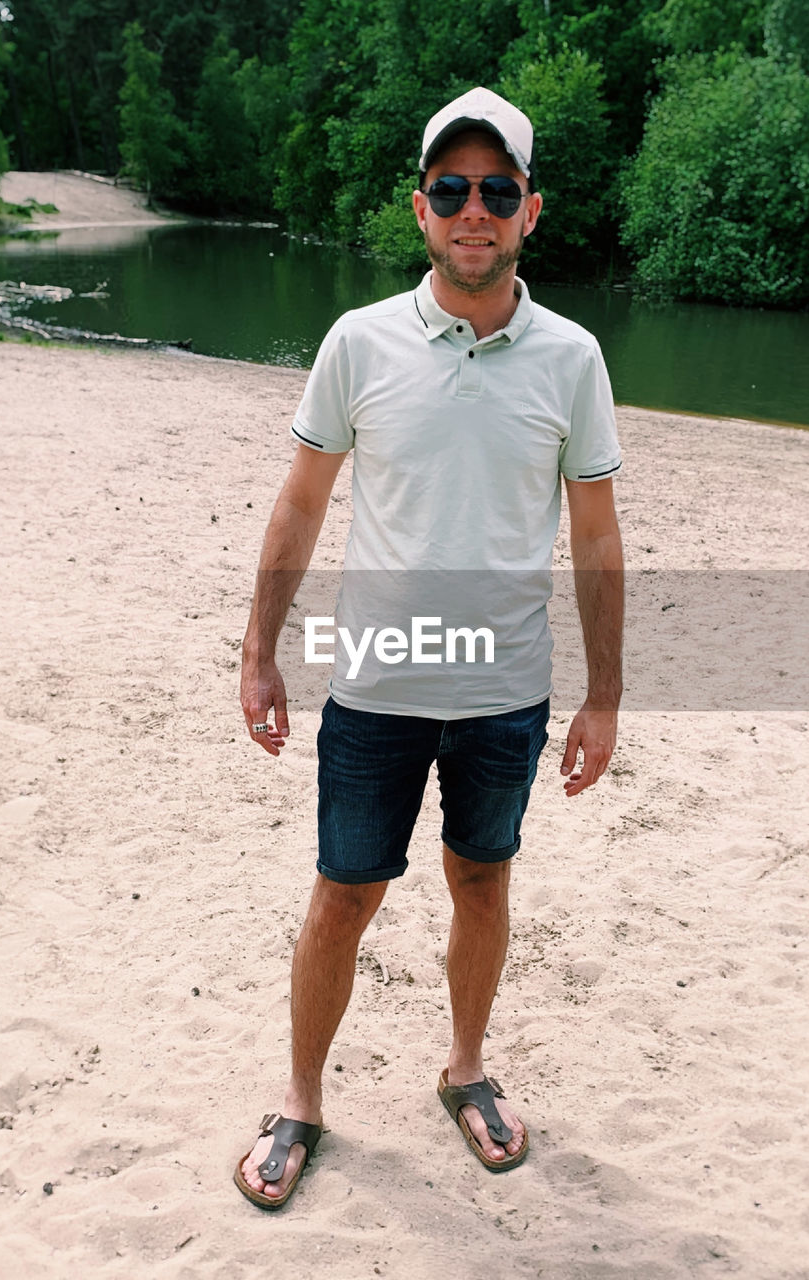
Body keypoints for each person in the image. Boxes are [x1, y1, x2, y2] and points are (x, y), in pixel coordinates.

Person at [235, 86, 624, 1208]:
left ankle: (464, 1070)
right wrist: (259, 647)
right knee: (341, 896)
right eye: (450, 189)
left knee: (480, 880)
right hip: (375, 686)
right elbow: (301, 501)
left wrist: (603, 695)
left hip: (505, 693)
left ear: (528, 212)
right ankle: (302, 1098)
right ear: (419, 207)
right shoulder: (358, 343)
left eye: (495, 191)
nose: (472, 211)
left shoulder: (573, 358)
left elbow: (594, 532)